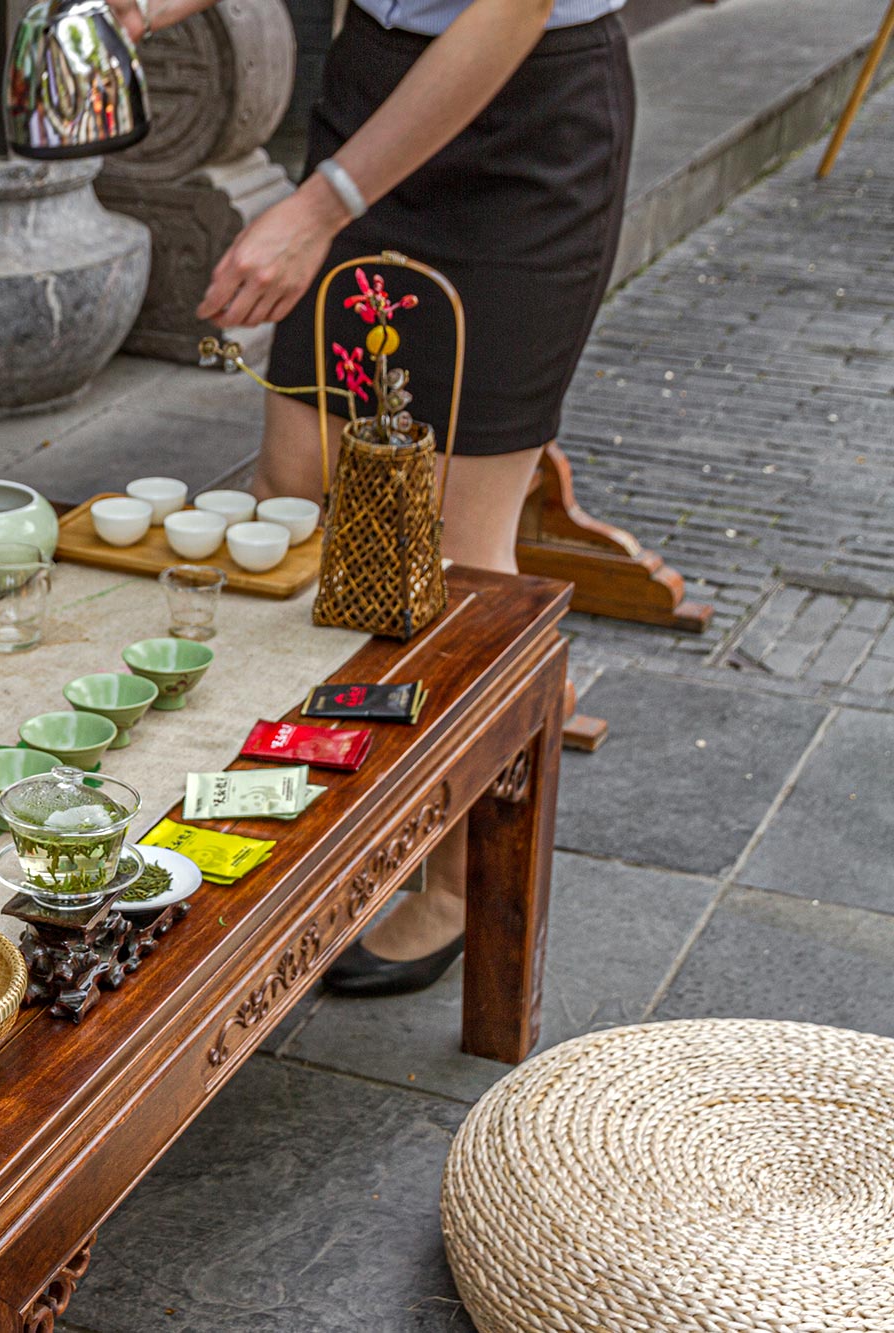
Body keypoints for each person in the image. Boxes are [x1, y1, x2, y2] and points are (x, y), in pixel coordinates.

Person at [112, 0, 632, 994]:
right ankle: (295, 812)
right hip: (373, 91)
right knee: (293, 489)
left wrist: (313, 210)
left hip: (523, 114)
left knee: (451, 557)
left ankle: (458, 875)